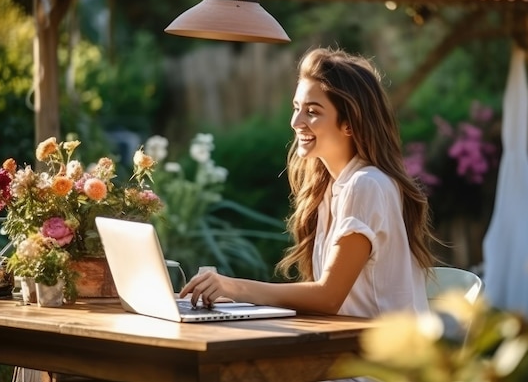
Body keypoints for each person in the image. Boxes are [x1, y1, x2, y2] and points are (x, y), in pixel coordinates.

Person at [180, 47, 437, 318]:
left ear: (350, 123)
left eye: (312, 112)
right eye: (296, 108)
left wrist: (233, 287)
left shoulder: (366, 185)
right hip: (346, 344)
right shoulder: (330, 188)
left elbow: (328, 297)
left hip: (381, 354)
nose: (296, 122)